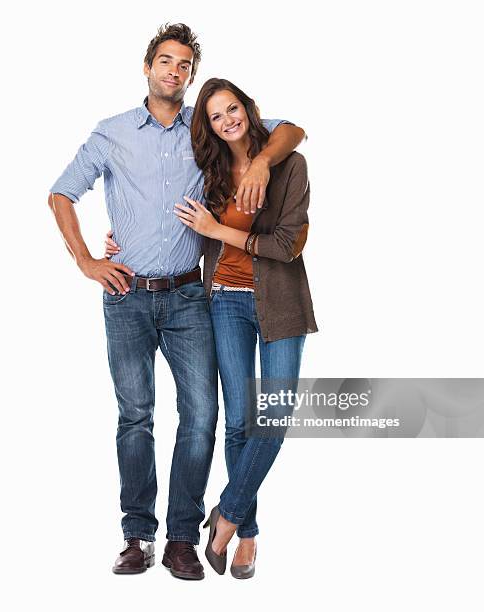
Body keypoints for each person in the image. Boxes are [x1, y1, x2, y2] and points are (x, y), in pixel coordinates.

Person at [49, 23, 306, 581]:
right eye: (165, 61)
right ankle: (137, 534)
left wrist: (261, 162)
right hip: (126, 295)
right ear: (147, 67)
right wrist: (88, 261)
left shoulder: (204, 132)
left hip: (193, 295)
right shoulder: (111, 132)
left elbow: (286, 131)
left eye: (184, 65)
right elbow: (61, 192)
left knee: (205, 415)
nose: (174, 71)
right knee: (135, 415)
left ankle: (184, 537)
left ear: (190, 76)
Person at [108, 78, 317, 578]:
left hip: (281, 303)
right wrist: (126, 240)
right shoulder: (211, 169)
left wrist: (224, 222)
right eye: (216, 116)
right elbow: (170, 211)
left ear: (248, 108)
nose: (228, 121)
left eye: (233, 109)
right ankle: (246, 535)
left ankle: (225, 514)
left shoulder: (288, 163)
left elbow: (288, 245)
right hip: (222, 301)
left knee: (276, 420)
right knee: (240, 424)